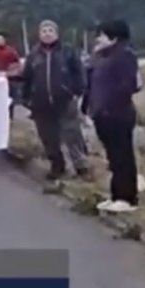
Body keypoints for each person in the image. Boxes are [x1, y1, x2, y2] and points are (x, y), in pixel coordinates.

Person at [20, 20, 90, 181]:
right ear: (39, 34)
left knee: (72, 134)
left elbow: (79, 73)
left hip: (65, 101)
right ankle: (57, 165)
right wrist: (26, 99)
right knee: (48, 137)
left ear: (56, 33)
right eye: (44, 30)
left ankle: (81, 166)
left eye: (50, 30)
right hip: (41, 104)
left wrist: (77, 93)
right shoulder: (33, 55)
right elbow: (27, 78)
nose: (47, 33)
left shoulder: (68, 51)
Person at [85, 20, 141, 213]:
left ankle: (128, 198)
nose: (98, 38)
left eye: (101, 35)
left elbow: (129, 85)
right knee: (113, 158)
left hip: (118, 114)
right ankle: (116, 195)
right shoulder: (102, 57)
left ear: (113, 37)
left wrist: (110, 105)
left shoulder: (125, 55)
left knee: (123, 157)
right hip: (102, 115)